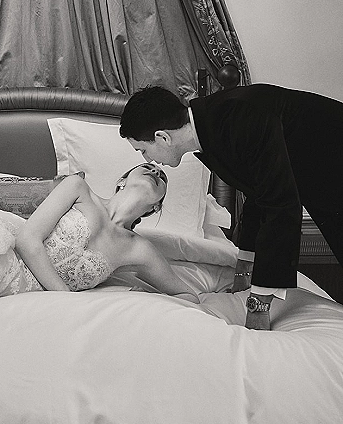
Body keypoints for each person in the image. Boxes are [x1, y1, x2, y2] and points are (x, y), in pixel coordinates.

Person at [119, 83, 343, 331]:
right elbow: (258, 195)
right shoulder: (209, 131)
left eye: (143, 149)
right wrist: (243, 270)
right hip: (327, 189)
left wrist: (258, 306)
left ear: (163, 137)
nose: (148, 160)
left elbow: (280, 206)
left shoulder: (239, 115)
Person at [15, 163, 200, 303]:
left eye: (162, 178)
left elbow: (188, 296)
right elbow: (26, 239)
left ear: (156, 205)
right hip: (11, 270)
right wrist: (65, 298)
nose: (156, 172)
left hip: (47, 305)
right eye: (148, 167)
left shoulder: (140, 250)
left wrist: (140, 303)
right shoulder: (77, 188)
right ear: (122, 182)